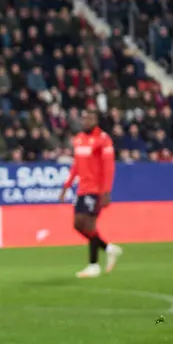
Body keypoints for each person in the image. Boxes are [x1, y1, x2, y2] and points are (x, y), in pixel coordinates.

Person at [58, 109, 122, 278]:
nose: (86, 121)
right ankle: (108, 248)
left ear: (96, 120)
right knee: (77, 225)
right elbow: (76, 166)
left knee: (90, 225)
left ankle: (93, 266)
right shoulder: (79, 139)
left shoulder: (103, 140)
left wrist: (106, 191)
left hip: (96, 190)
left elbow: (109, 168)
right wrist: (66, 186)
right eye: (84, 118)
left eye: (90, 118)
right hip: (82, 189)